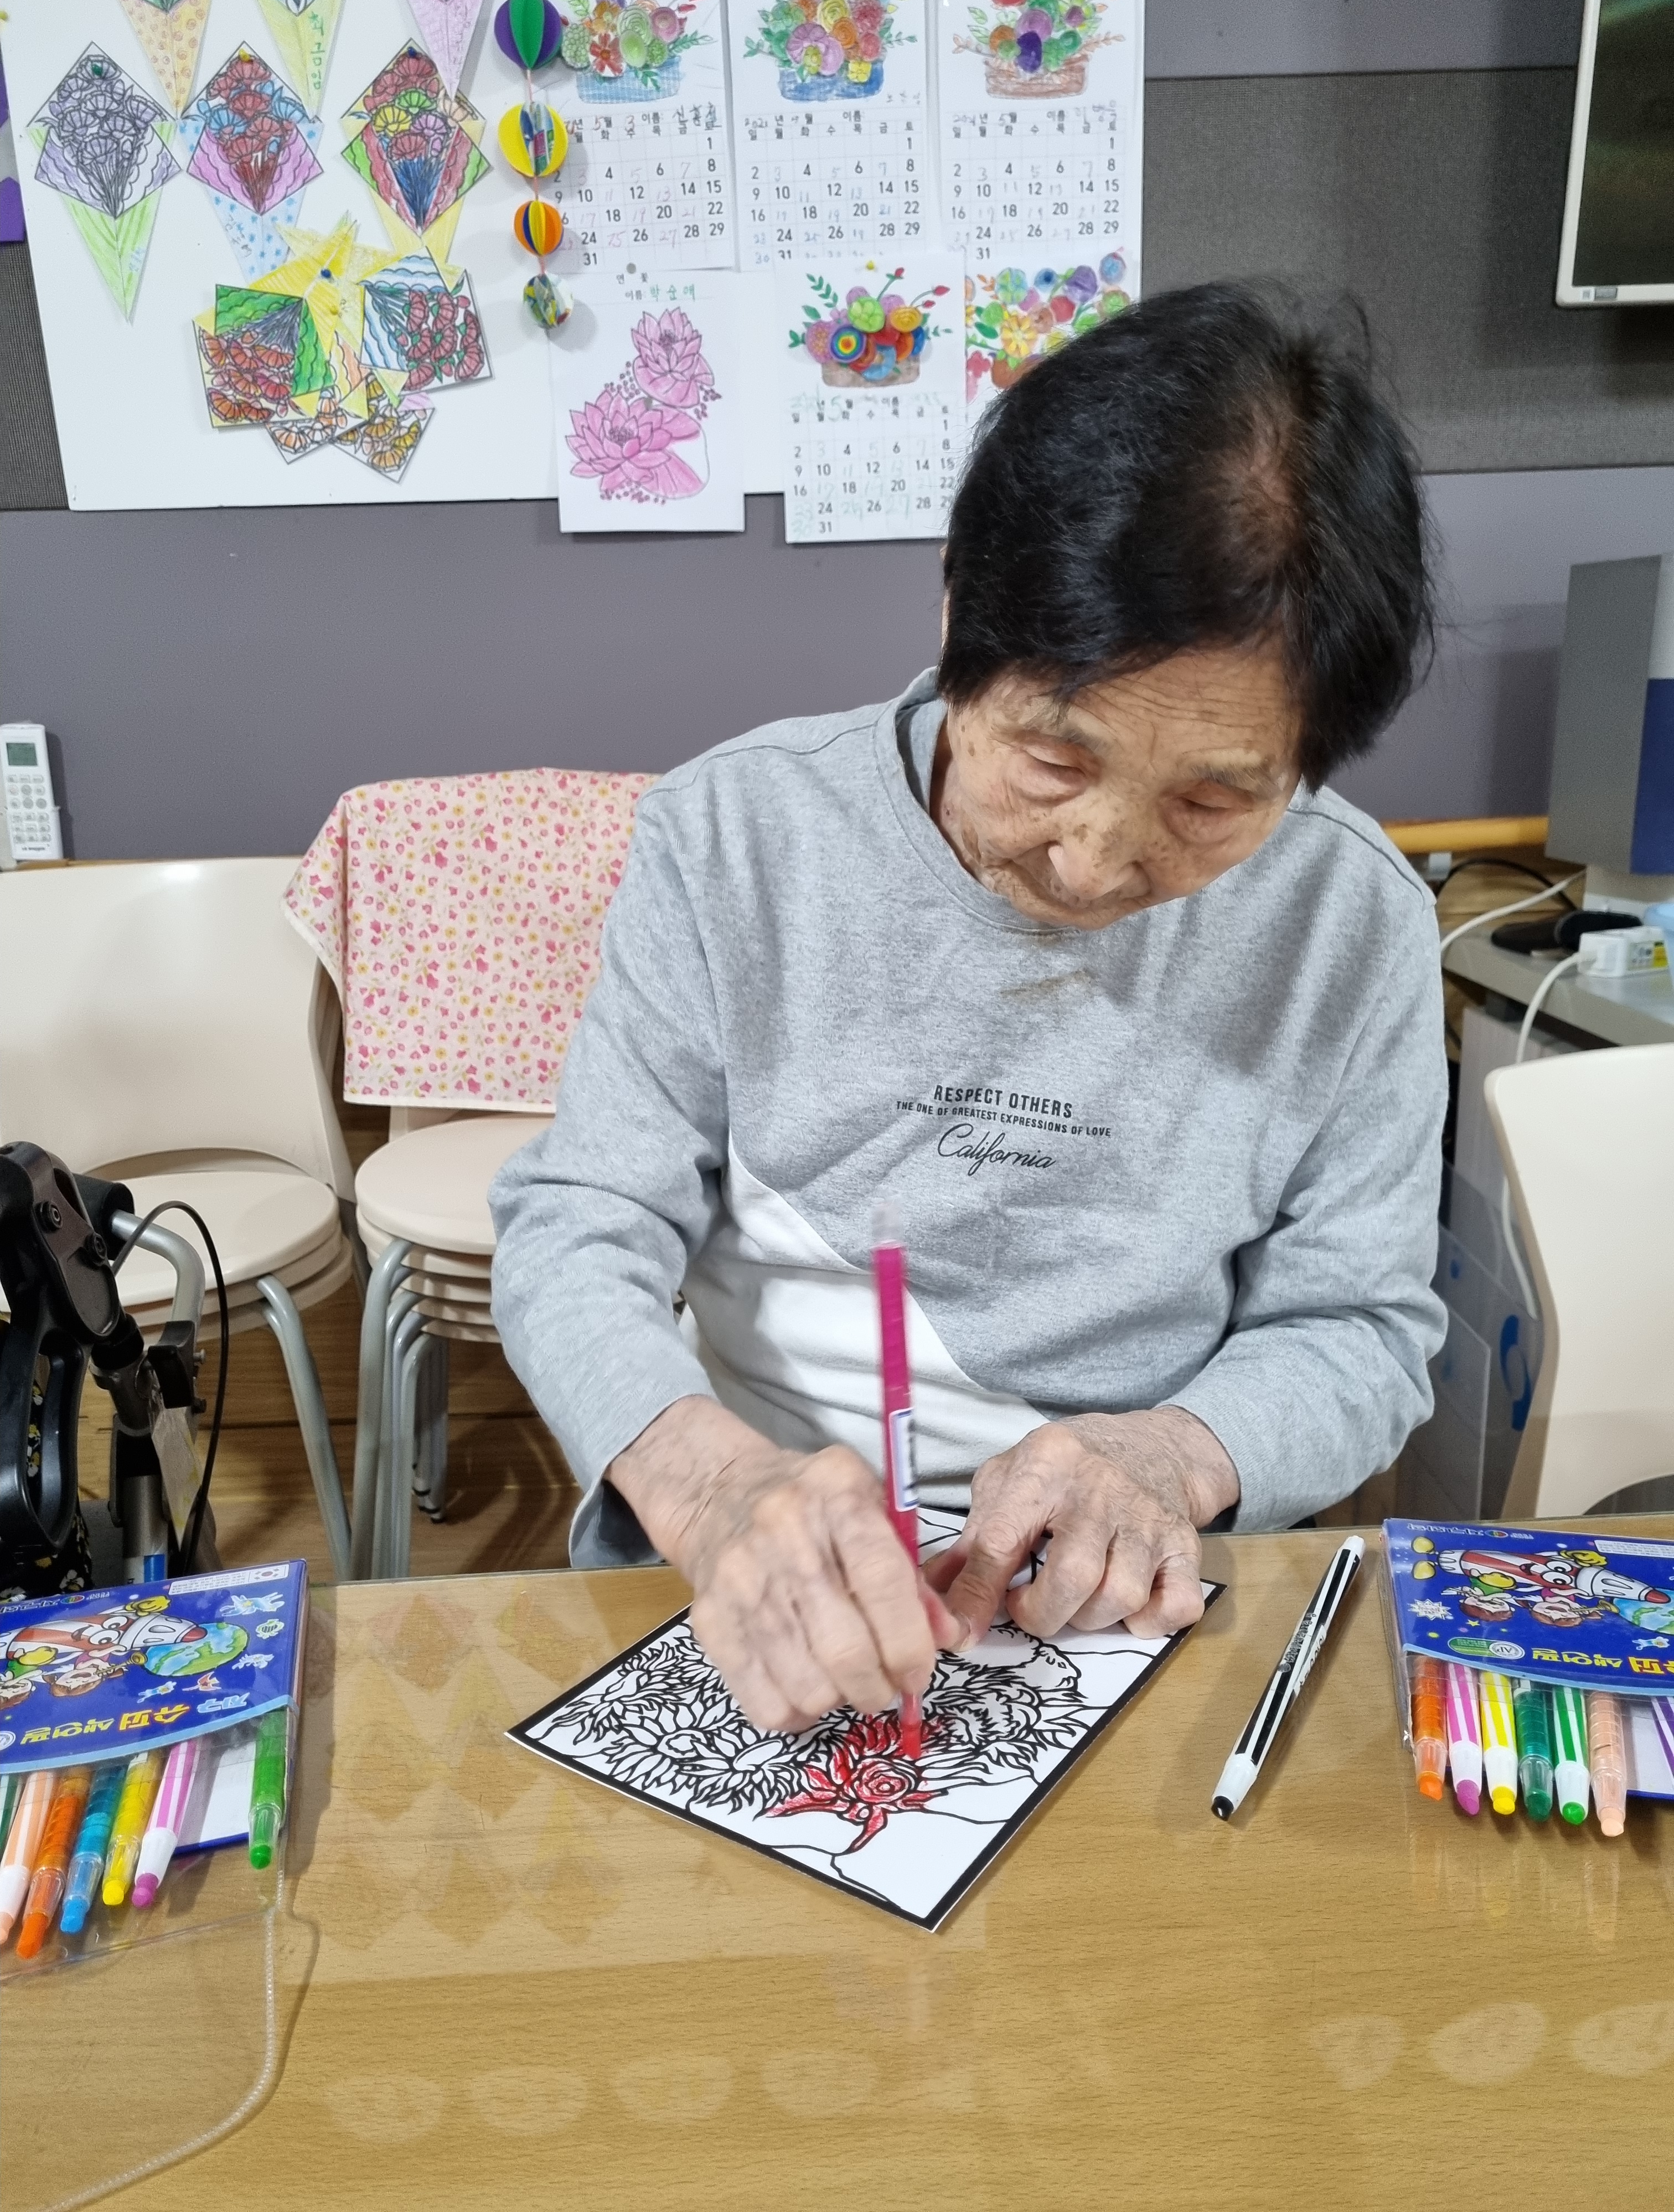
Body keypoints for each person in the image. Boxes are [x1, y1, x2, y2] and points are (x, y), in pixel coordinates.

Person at [491, 281, 1446, 1733]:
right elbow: (578, 1227)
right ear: (956, 615)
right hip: (769, 1570)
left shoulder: (1353, 919)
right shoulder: (735, 840)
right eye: (1054, 762)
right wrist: (714, 1484)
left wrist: (1178, 1453)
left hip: (1140, 1598)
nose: (1097, 863)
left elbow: (1363, 1323)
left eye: (1211, 803)